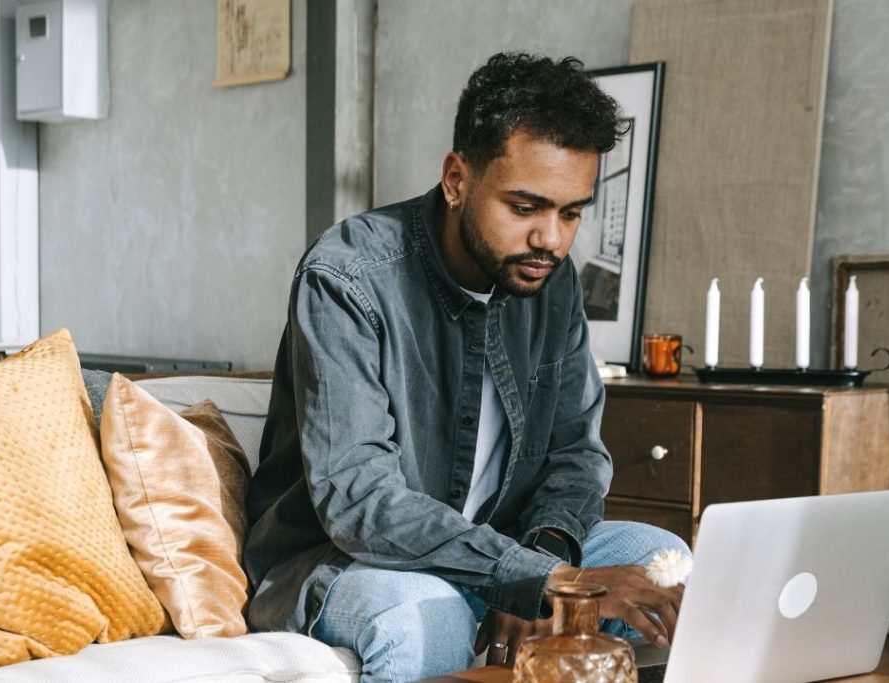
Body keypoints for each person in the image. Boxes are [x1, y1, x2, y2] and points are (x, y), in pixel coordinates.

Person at [244, 52, 690, 682]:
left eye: (571, 212)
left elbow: (575, 454)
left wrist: (541, 560)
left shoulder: (550, 280)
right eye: (525, 207)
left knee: (667, 565)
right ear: (457, 180)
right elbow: (359, 500)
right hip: (348, 561)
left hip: (503, 545)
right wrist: (540, 580)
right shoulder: (346, 277)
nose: (552, 239)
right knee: (425, 618)